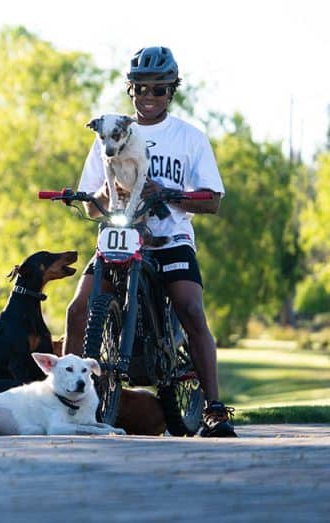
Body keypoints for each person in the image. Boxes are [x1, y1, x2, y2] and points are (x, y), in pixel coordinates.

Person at [63, 45, 237, 438]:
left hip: (170, 238)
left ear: (171, 91)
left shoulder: (189, 138)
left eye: (158, 89)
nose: (149, 96)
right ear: (130, 90)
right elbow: (91, 202)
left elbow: (212, 200)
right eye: (141, 88)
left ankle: (213, 408)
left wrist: (170, 194)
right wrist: (111, 195)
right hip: (121, 235)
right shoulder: (110, 131)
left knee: (191, 308)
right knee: (78, 309)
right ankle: (65, 404)